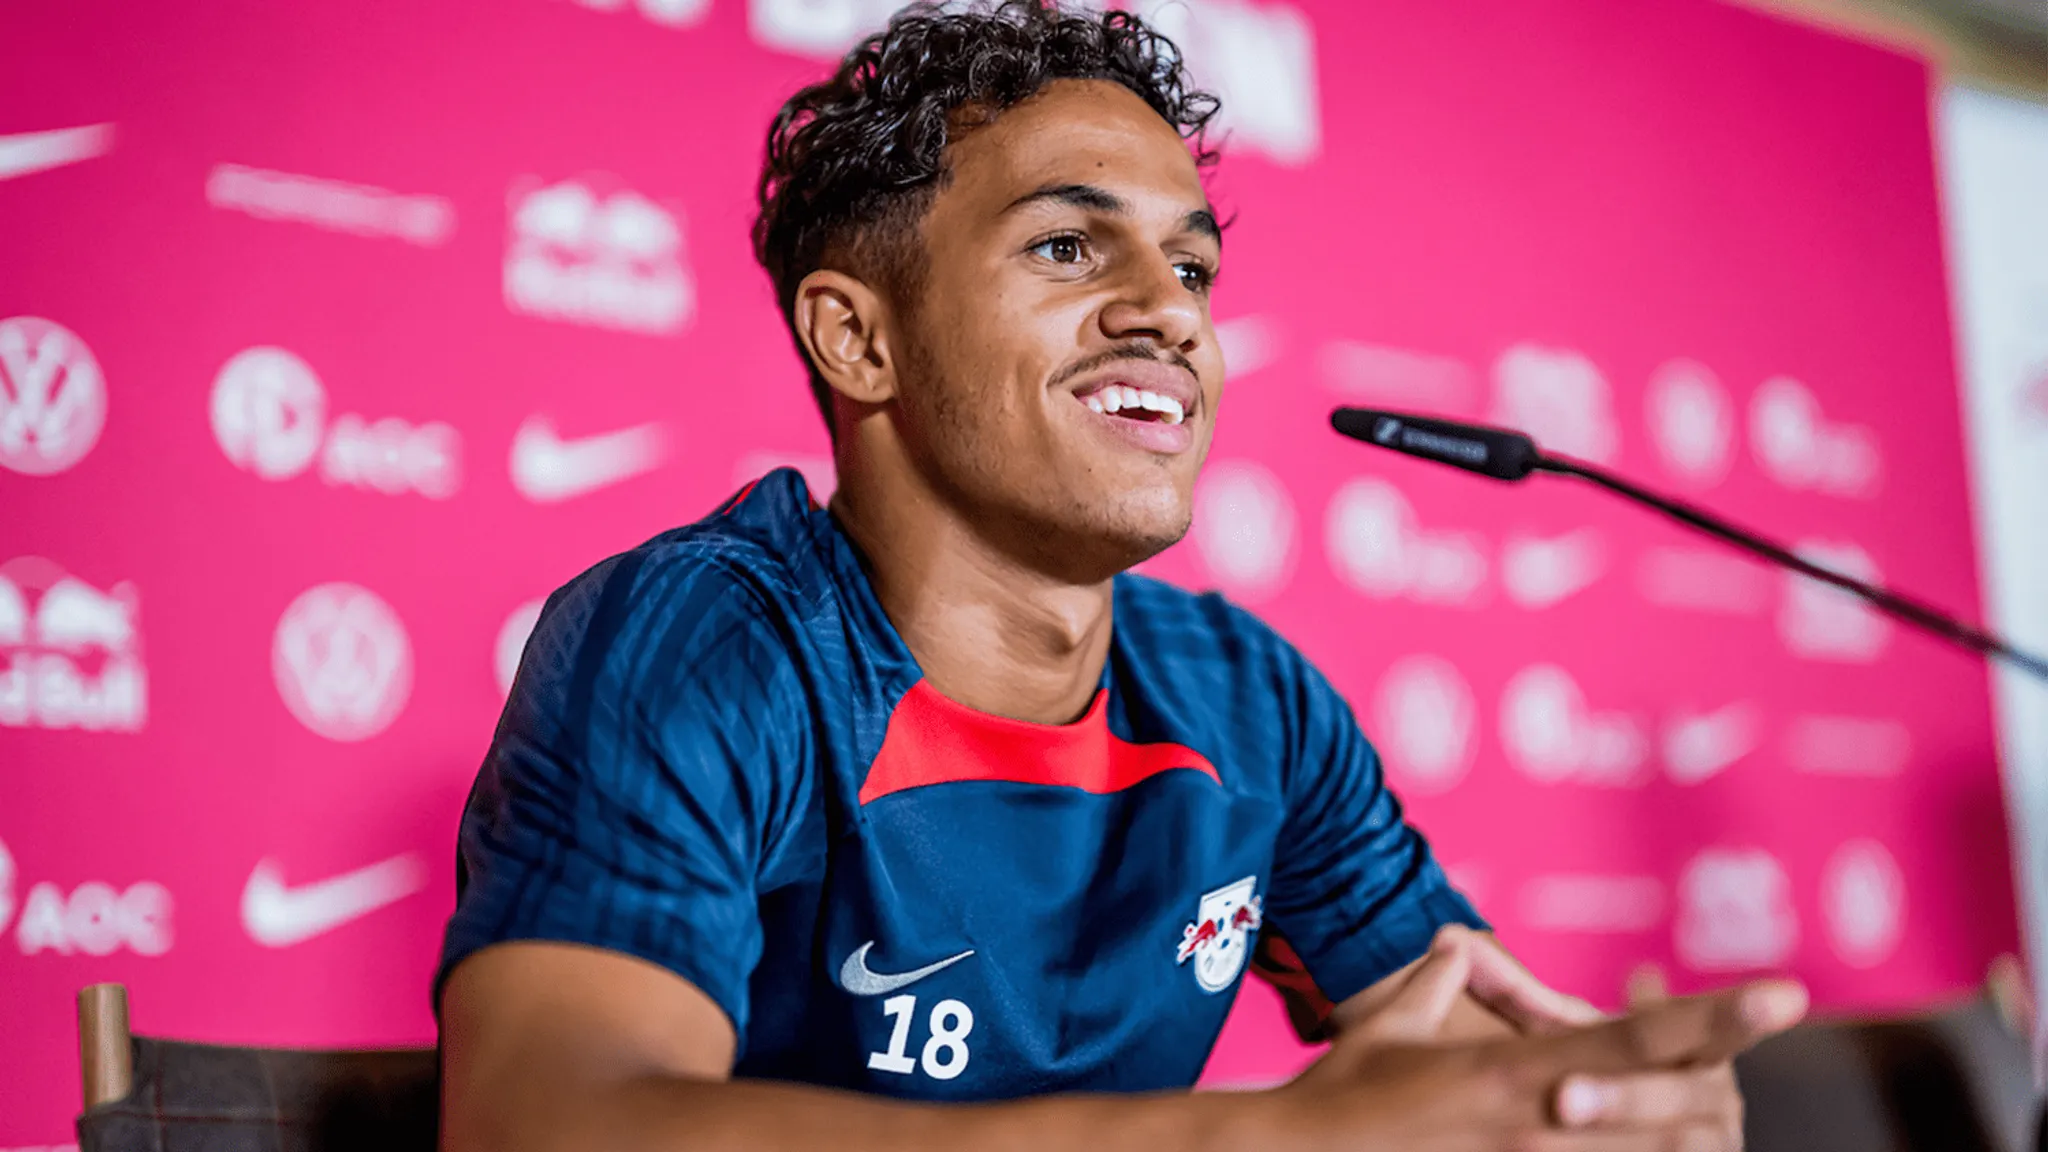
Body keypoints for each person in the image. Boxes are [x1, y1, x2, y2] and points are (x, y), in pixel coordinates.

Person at [436, 3, 1807, 1149]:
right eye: (1066, 246)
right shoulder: (699, 647)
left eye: (1193, 264)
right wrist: (1260, 1136)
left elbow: (1466, 1054)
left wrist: (1599, 1105)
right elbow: (548, 1119)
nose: (1170, 308)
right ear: (859, 341)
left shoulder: (1246, 703)